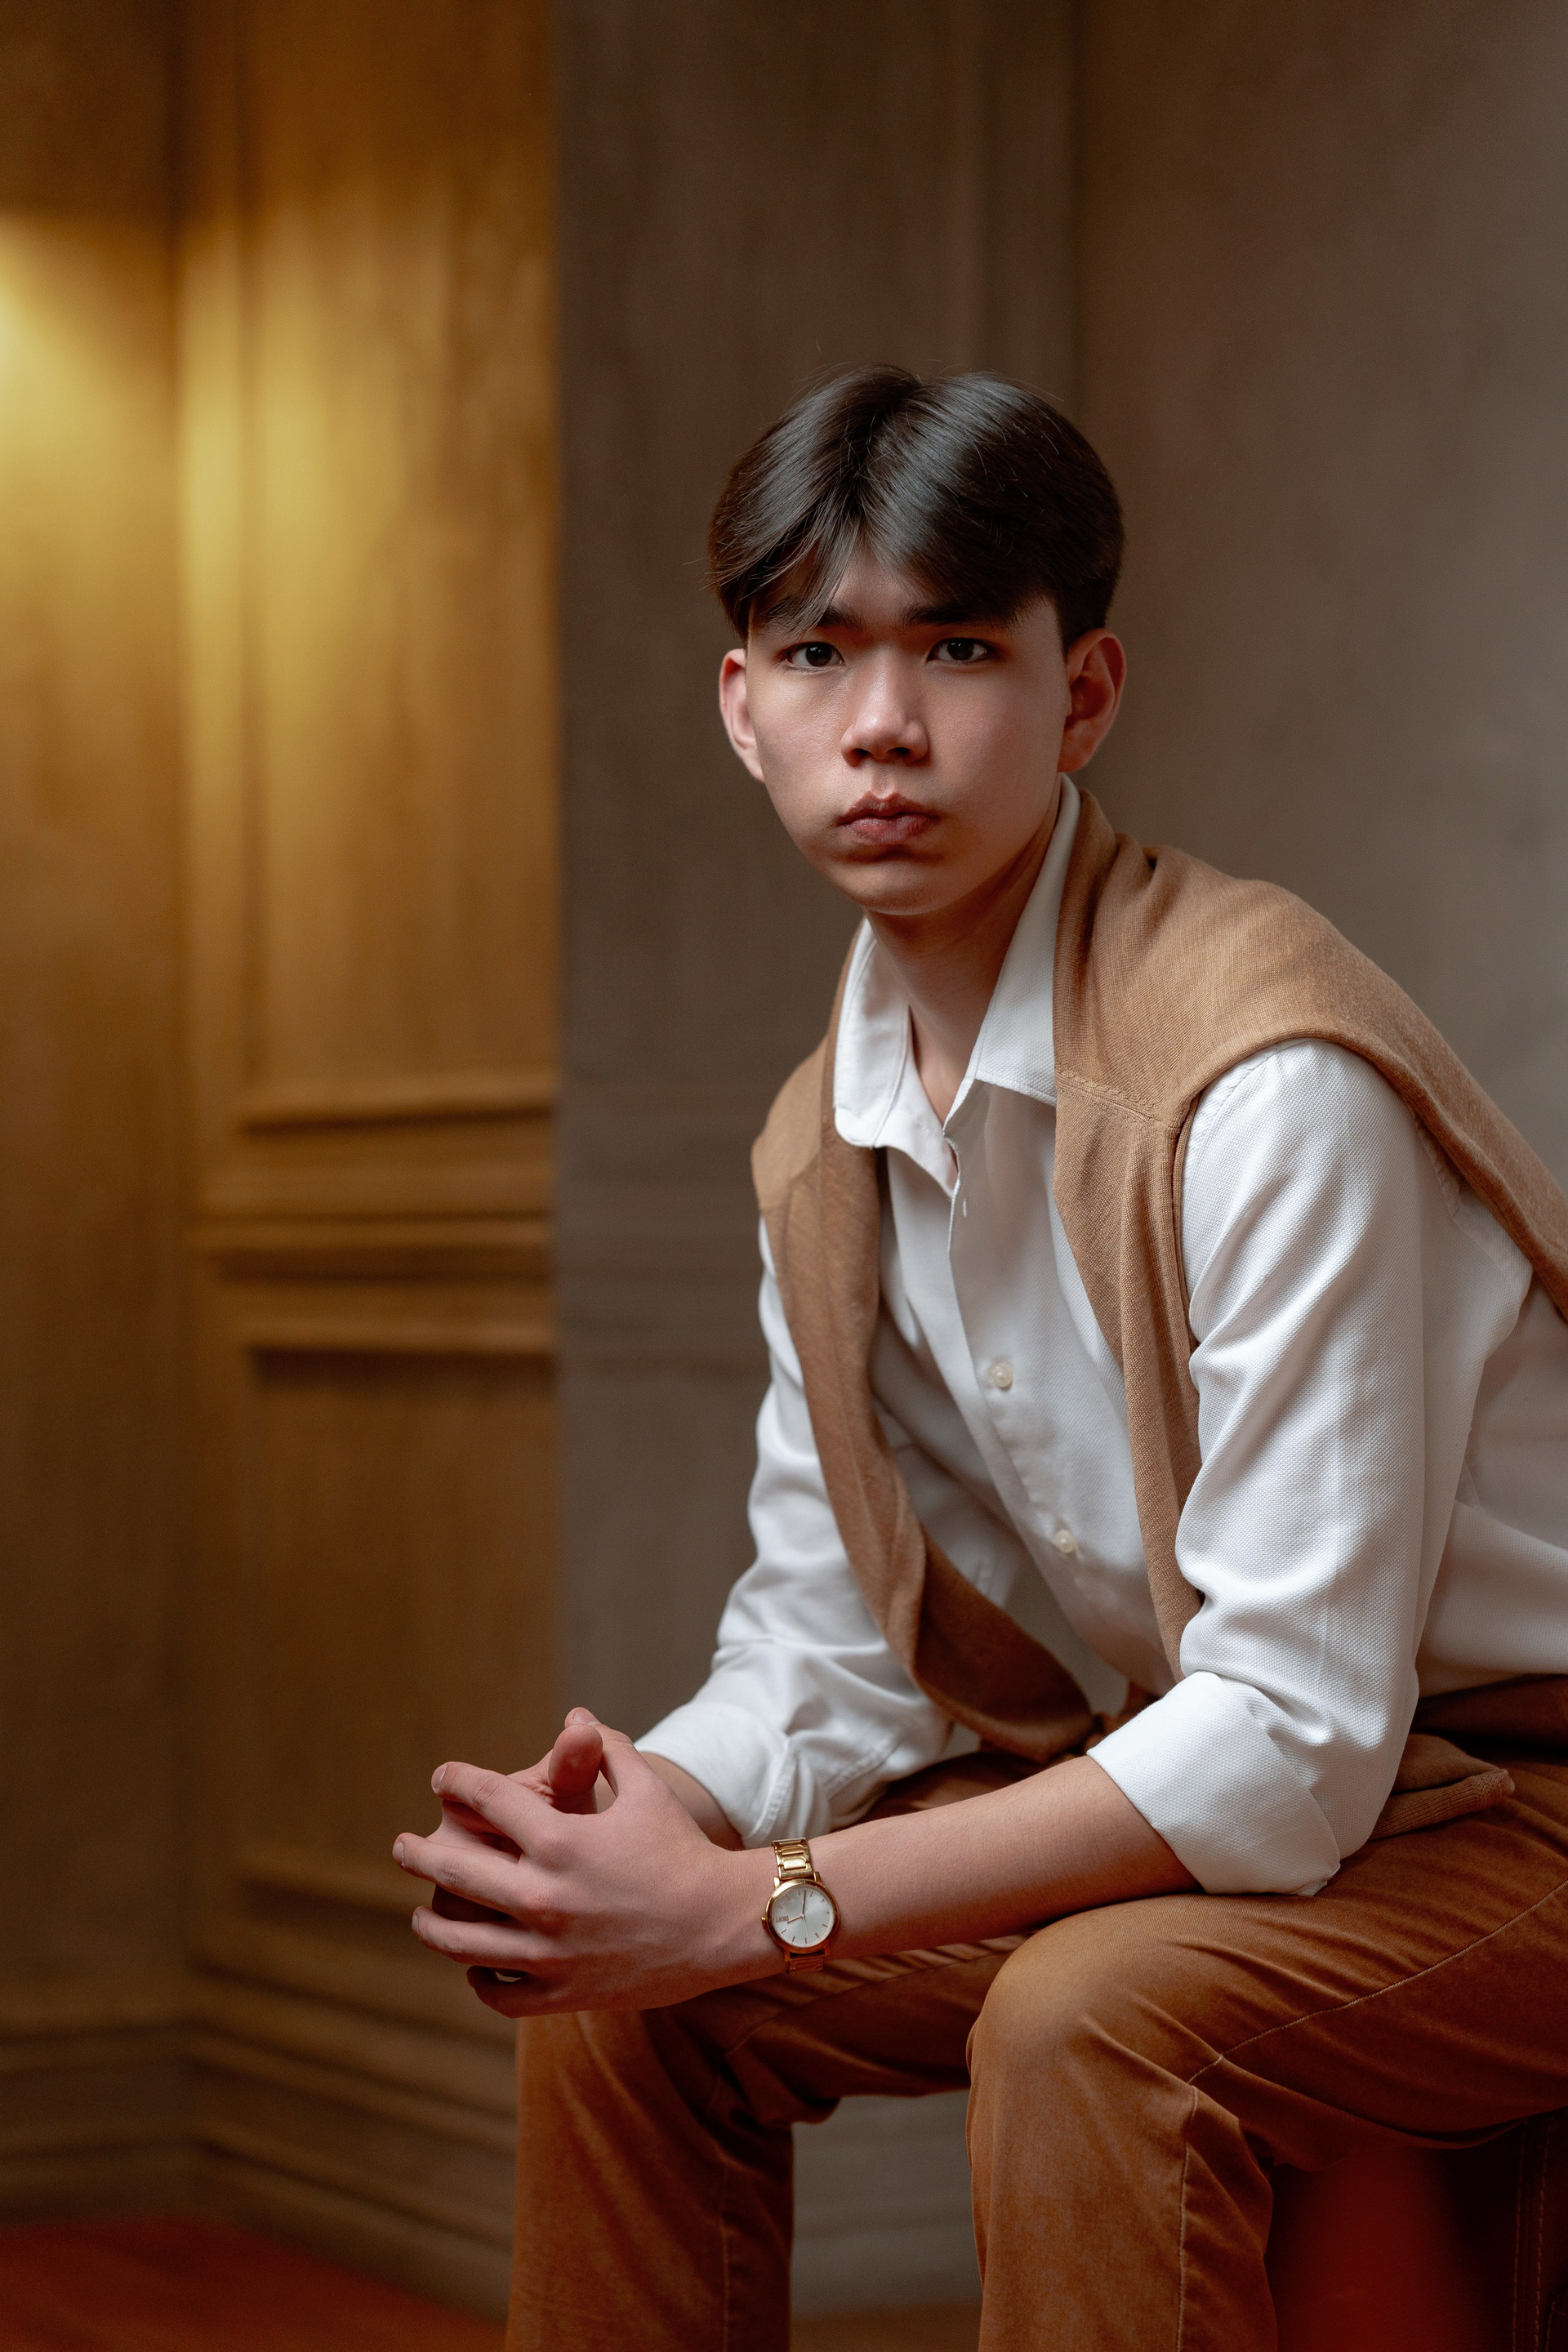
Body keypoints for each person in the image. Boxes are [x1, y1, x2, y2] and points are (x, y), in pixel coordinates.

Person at [393, 368, 1568, 2352]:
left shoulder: (1264, 1081)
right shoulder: (824, 1142)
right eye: (817, 652)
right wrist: (649, 1823)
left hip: (1520, 1808)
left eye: (957, 648)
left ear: (1082, 693)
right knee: (629, 2002)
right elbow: (832, 1648)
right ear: (741, 706)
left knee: (1087, 2020)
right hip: (1304, 1797)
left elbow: (1291, 1737)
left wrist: (765, 1897)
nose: (883, 724)